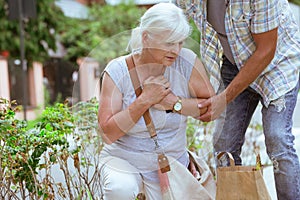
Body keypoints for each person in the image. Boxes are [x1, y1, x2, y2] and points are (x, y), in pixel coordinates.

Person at [176, 0, 300, 199]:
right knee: (224, 146)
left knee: (278, 139)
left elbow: (266, 50)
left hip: (277, 64)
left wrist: (223, 99)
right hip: (234, 63)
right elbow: (171, 24)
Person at [97, 2, 215, 200]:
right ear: (146, 38)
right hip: (124, 160)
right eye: (169, 43)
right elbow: (108, 133)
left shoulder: (186, 61)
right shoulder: (117, 70)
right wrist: (144, 100)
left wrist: (172, 103)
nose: (176, 50)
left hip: (170, 162)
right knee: (121, 189)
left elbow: (211, 109)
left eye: (180, 42)